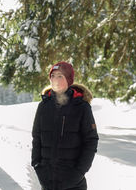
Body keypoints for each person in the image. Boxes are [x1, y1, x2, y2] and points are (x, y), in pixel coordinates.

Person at [32, 61, 99, 190]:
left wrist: (78, 173)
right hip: (48, 182)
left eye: (60, 76)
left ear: (68, 80)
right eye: (53, 76)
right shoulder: (44, 106)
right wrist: (37, 166)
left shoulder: (81, 107)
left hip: (74, 183)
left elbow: (91, 141)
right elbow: (37, 138)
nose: (55, 80)